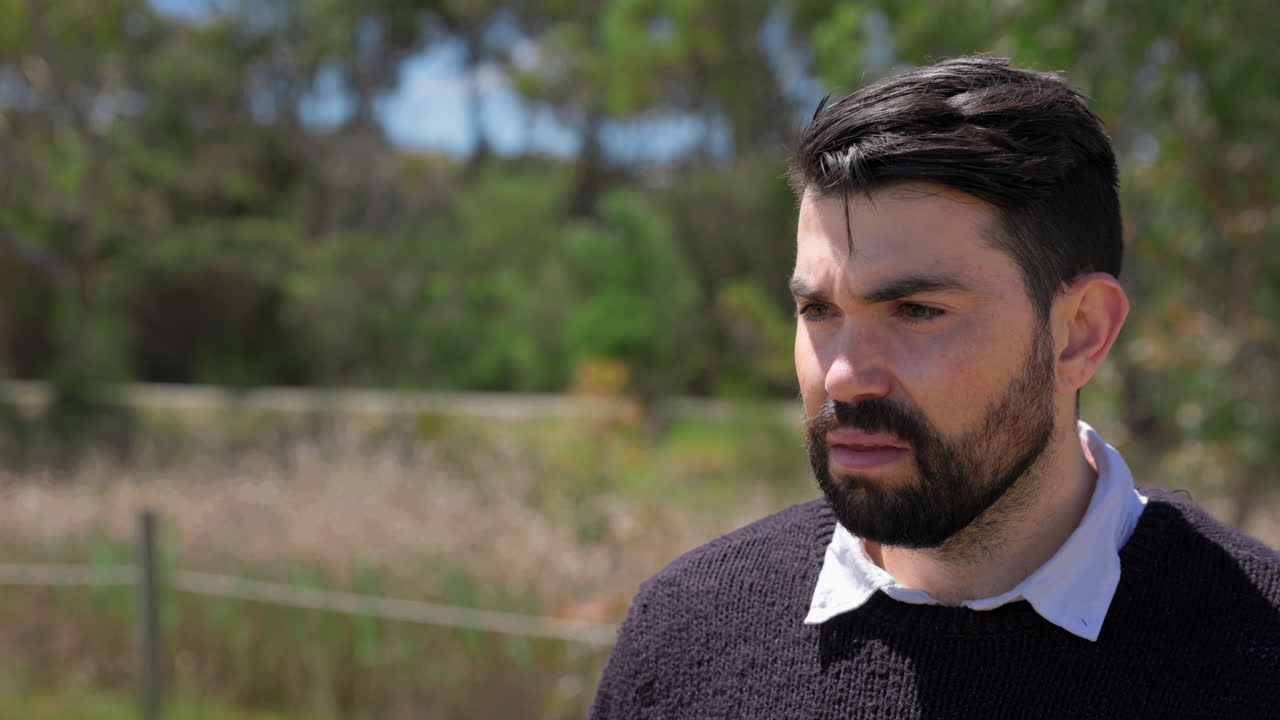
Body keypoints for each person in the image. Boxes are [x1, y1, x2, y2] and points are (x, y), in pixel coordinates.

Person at [588, 56, 1280, 719]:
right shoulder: (687, 631)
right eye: (820, 312)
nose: (844, 377)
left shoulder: (1258, 655)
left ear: (1080, 335)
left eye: (917, 311)